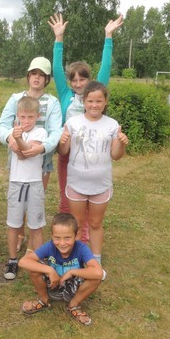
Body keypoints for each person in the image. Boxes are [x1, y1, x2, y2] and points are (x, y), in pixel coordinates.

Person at [49, 13, 124, 224]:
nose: (78, 84)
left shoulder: (95, 93)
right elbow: (56, 69)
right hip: (68, 154)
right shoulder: (66, 95)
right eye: (74, 80)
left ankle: (86, 236)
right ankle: (67, 236)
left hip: (93, 154)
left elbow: (105, 67)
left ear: (89, 80)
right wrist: (58, 38)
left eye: (82, 79)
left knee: (91, 203)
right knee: (66, 200)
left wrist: (108, 36)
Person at [0, 56, 62, 254]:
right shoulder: (16, 98)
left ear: (47, 79)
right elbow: (1, 125)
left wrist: (43, 148)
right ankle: (19, 235)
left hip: (42, 161)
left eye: (42, 75)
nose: (37, 78)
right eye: (34, 73)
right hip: (17, 159)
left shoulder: (52, 102)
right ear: (28, 76)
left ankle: (33, 247)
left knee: (35, 201)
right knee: (18, 201)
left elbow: (56, 131)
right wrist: (9, 138)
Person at [58, 81, 129, 265]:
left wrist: (122, 143)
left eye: (98, 101)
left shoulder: (112, 125)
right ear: (84, 102)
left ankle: (95, 260)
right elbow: (63, 152)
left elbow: (116, 155)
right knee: (77, 223)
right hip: (76, 184)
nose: (94, 105)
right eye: (90, 101)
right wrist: (62, 141)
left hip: (101, 185)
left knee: (96, 223)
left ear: (105, 102)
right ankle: (75, 260)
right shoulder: (72, 123)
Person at [18, 213, 104, 326]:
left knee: (95, 277)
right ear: (52, 235)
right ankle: (44, 301)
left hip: (73, 288)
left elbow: (98, 272)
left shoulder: (81, 248)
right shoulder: (49, 246)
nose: (62, 243)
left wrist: (72, 272)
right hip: (53, 284)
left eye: (67, 238)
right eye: (57, 238)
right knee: (34, 268)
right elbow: (23, 262)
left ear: (76, 235)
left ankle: (73, 305)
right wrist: (50, 270)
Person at [4, 96, 48, 281]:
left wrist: (18, 139)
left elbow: (26, 153)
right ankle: (12, 260)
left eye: (30, 117)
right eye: (23, 117)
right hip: (16, 183)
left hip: (35, 184)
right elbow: (20, 154)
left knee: (36, 226)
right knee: (13, 225)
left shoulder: (41, 132)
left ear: (38, 116)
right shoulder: (13, 132)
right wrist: (16, 138)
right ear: (17, 116)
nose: (26, 121)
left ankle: (39, 262)